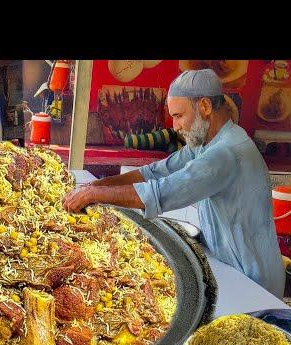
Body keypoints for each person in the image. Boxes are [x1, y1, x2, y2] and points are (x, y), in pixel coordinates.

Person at [63, 69, 285, 299]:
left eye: (179, 116)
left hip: (253, 281)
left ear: (205, 107)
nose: (175, 126)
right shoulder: (205, 144)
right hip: (230, 267)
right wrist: (97, 186)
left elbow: (159, 194)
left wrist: (94, 194)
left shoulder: (225, 153)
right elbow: (154, 173)